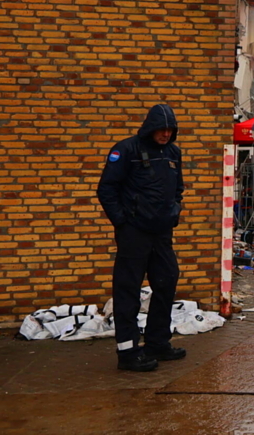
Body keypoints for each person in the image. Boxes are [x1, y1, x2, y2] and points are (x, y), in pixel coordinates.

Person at [97, 104, 186, 372]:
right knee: (128, 290)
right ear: (151, 127)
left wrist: (174, 212)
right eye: (162, 129)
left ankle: (157, 342)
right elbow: (107, 189)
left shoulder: (173, 153)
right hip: (133, 232)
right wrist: (123, 223)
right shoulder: (125, 150)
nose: (166, 134)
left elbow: (178, 189)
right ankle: (128, 351)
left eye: (170, 130)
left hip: (161, 232)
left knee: (167, 280)